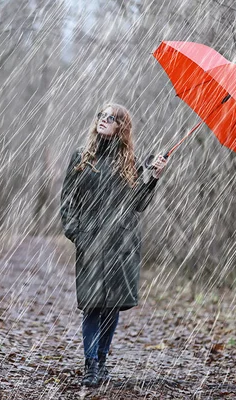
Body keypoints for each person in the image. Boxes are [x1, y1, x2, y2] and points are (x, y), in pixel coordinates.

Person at [59, 103, 168, 387]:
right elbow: (68, 201)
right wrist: (77, 235)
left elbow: (139, 204)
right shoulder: (81, 158)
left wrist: (153, 177)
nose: (103, 120)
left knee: (112, 306)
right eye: (101, 116)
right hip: (92, 242)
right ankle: (91, 364)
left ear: (121, 127)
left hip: (122, 244)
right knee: (92, 306)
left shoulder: (130, 162)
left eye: (111, 118)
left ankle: (103, 360)